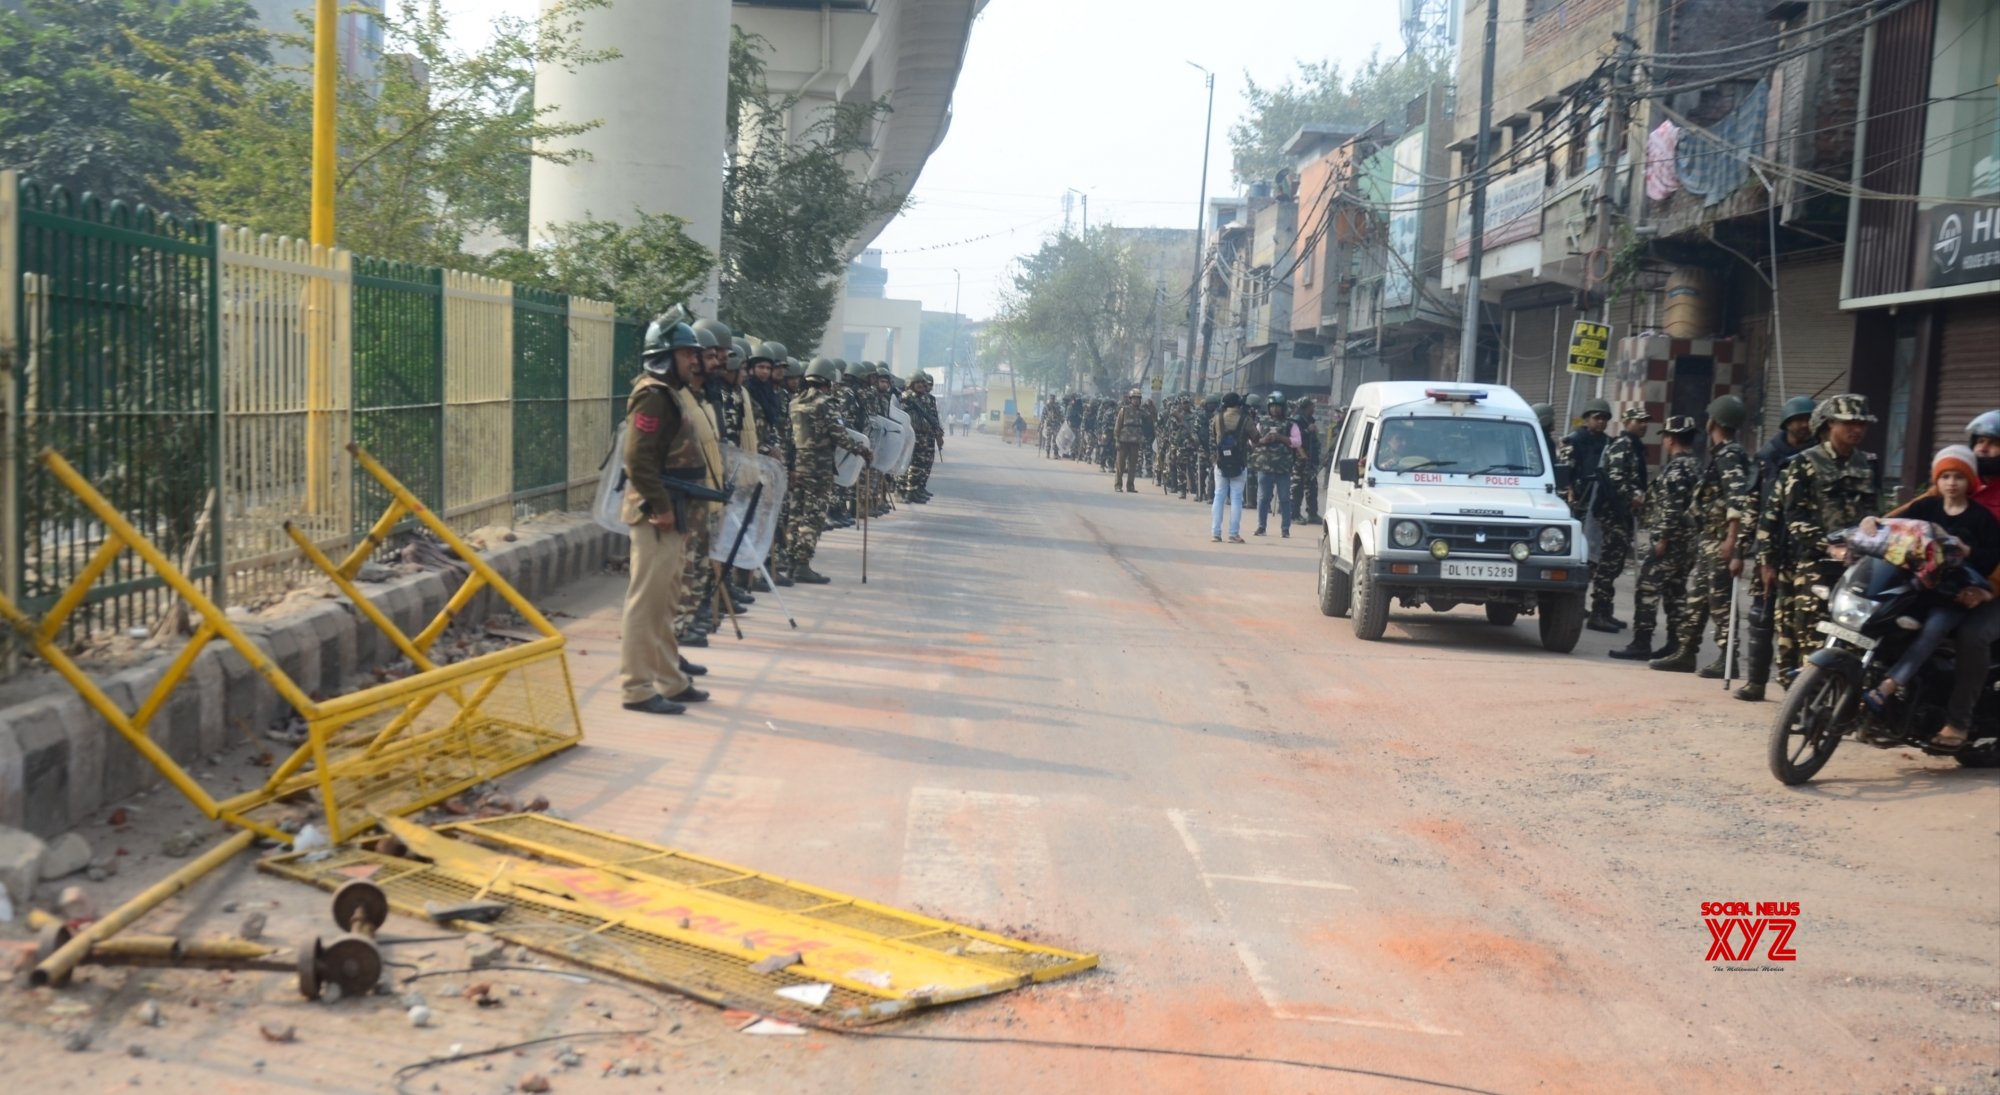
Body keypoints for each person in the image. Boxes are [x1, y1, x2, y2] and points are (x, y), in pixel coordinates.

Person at [1858, 446, 1999, 743]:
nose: (1951, 482)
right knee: (1882, 615)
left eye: (1958, 477)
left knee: (1946, 633)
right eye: (1945, 476)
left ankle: (1898, 691)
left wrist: (1979, 577)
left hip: (1954, 595)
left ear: (1969, 481)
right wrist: (1872, 522)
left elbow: (1991, 559)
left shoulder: (1981, 517)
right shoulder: (1929, 506)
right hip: (1920, 588)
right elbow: (1897, 523)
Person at [617, 318, 713, 715]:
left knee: (665, 602)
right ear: (665, 356)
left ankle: (670, 681)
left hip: (673, 510)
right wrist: (659, 507)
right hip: (657, 514)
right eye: (687, 352)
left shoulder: (671, 393)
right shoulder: (653, 395)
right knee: (646, 604)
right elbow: (637, 459)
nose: (694, 360)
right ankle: (637, 688)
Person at [1758, 394, 1881, 682]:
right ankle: (1803, 702)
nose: (1857, 429)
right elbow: (1791, 518)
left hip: (1858, 566)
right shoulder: (1804, 463)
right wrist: (1828, 546)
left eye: (1862, 423)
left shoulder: (1868, 464)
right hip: (1813, 563)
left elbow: (1876, 515)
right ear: (1829, 425)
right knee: (1808, 634)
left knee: (1854, 635)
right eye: (1849, 422)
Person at [1656, 396, 1752, 674]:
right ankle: (1686, 652)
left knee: (1720, 602)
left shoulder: (1729, 455)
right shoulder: (1722, 453)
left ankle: (1728, 658)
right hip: (1709, 539)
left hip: (1720, 539)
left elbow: (1738, 500)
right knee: (1697, 600)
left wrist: (1732, 543)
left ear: (1716, 421)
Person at [1735, 395, 1818, 700]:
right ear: (1787, 422)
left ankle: (1795, 692)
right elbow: (1752, 503)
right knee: (1761, 617)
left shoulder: (1819, 455)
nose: (1804, 425)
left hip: (1804, 550)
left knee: (1800, 622)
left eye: (1809, 419)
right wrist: (1740, 550)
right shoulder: (1768, 454)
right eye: (1799, 419)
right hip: (1771, 546)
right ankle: (1756, 682)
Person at [1612, 417, 1702, 662]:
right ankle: (1675, 644)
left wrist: (1663, 538)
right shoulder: (1696, 465)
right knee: (1675, 591)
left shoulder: (1676, 469)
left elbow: (1672, 507)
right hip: (1689, 541)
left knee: (1647, 587)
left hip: (1672, 541)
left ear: (1670, 439)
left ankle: (1642, 642)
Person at [781, 357, 872, 585]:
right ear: (829, 380)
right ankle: (802, 564)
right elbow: (839, 435)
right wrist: (862, 450)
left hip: (797, 465)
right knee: (814, 516)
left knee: (796, 514)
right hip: (819, 468)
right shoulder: (825, 403)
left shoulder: (794, 402)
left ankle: (791, 561)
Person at [1590, 407, 1650, 632]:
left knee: (1615, 564)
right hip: (1613, 512)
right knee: (1609, 563)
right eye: (1639, 420)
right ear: (1627, 422)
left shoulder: (1635, 447)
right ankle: (1598, 613)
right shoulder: (1622, 445)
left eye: (1646, 421)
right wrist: (1633, 496)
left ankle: (1605, 610)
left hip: (1623, 513)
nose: (1644, 425)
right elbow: (1615, 478)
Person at [1252, 392, 1300, 537]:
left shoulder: (1290, 423)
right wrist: (1263, 440)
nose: (1275, 410)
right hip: (1265, 466)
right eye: (1272, 407)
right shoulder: (1262, 422)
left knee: (1285, 498)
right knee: (1263, 498)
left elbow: (1297, 442)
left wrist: (1281, 438)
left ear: (1283, 407)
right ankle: (1261, 527)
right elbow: (1252, 441)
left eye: (1278, 407)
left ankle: (1285, 529)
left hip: (1283, 468)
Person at [1210, 392, 1251, 543]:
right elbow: (1256, 438)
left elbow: (1212, 439)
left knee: (1219, 496)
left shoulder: (1217, 418)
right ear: (1239, 404)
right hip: (1239, 463)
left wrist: (1215, 459)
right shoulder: (1246, 419)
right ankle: (1233, 534)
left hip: (1220, 462)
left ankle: (1215, 533)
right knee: (1236, 498)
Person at [1291, 399, 1322, 525]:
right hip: (1301, 458)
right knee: (1297, 487)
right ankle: (1295, 514)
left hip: (1310, 458)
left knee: (1312, 486)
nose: (1314, 408)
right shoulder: (1297, 420)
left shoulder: (1308, 419)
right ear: (1306, 407)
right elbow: (1294, 439)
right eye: (1312, 406)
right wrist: (1307, 430)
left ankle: (1312, 513)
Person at [1112, 389, 1147, 492]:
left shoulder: (1142, 413)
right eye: (1134, 398)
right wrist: (1117, 441)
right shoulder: (1124, 410)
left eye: (1138, 398)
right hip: (1123, 441)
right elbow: (1117, 427)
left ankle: (1130, 486)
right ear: (1130, 399)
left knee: (1132, 466)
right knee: (1120, 465)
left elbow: (1149, 423)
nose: (1136, 400)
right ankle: (1118, 485)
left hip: (1135, 442)